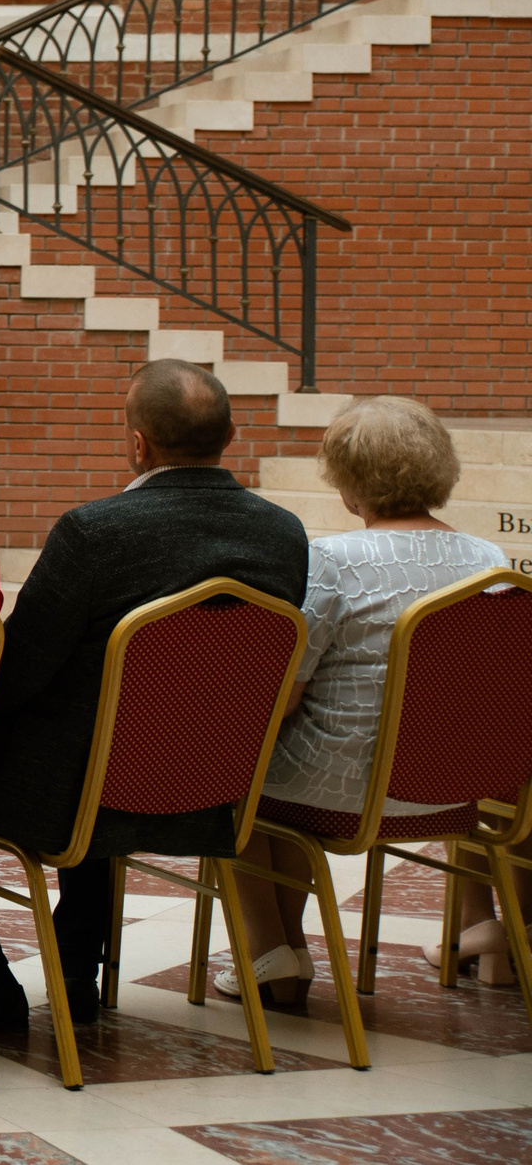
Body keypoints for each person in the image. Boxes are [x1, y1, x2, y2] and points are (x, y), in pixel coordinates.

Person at [0, 358, 308, 1028]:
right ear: (230, 438)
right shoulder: (283, 533)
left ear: (138, 443)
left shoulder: (96, 532)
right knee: (109, 722)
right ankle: (71, 969)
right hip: (214, 783)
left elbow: (20, 667)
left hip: (80, 791)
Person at [222, 397, 502, 1003]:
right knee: (283, 774)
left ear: (349, 485)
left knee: (237, 777)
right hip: (454, 789)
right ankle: (282, 953)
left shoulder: (331, 561)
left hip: (346, 795)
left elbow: (285, 697)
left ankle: (274, 950)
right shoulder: (489, 561)